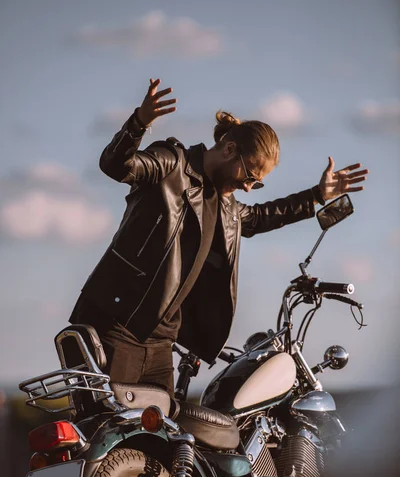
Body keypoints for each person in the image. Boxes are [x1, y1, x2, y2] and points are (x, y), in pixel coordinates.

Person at [69, 78, 368, 398]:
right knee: (109, 430)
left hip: (159, 343)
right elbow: (116, 165)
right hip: (118, 327)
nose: (250, 187)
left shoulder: (226, 207)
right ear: (229, 150)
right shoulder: (172, 165)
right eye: (251, 176)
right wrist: (138, 124)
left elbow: (263, 217)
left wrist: (316, 196)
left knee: (162, 443)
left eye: (258, 183)